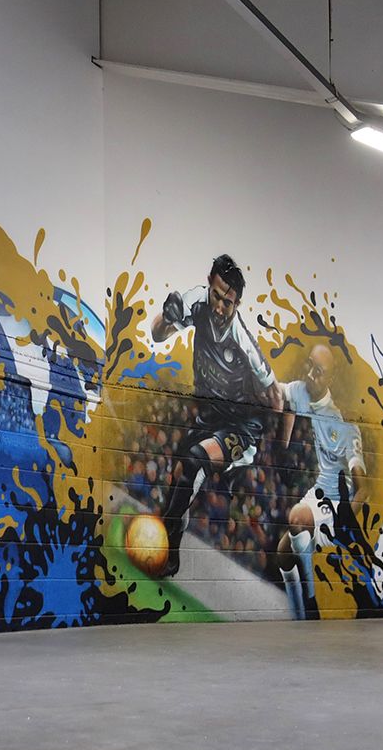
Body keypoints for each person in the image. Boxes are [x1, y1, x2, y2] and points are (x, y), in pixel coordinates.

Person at [149, 254, 283, 577]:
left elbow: (276, 395)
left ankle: (163, 539)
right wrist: (166, 317)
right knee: (180, 481)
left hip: (240, 427)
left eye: (228, 303)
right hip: (208, 419)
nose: (221, 308)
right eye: (217, 297)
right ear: (209, 285)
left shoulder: (243, 341)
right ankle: (171, 556)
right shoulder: (195, 303)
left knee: (195, 459)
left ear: (238, 304)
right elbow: (157, 334)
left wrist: (274, 443)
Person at [276, 344, 366, 619]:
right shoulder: (301, 391)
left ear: (330, 378)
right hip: (318, 492)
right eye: (310, 365)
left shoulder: (345, 426)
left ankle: (311, 601)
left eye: (319, 371)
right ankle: (300, 618)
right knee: (282, 553)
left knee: (296, 516)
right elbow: (276, 390)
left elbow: (363, 489)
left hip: (337, 504)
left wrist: (344, 522)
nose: (311, 374)